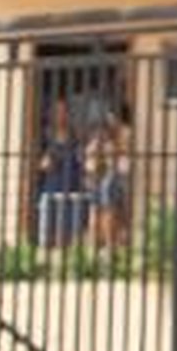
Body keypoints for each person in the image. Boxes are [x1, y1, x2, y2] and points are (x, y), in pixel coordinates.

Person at [31, 100, 89, 249]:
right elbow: (38, 163)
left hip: (72, 183)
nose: (61, 115)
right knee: (51, 221)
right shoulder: (44, 136)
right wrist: (44, 163)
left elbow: (81, 158)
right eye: (57, 111)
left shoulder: (75, 135)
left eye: (64, 111)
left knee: (70, 223)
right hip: (52, 184)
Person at [85, 102, 137, 255]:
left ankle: (109, 243)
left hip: (118, 175)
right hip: (108, 174)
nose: (109, 120)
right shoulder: (109, 135)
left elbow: (120, 152)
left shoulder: (125, 132)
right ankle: (99, 243)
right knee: (101, 206)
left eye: (111, 117)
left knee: (111, 208)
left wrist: (108, 148)